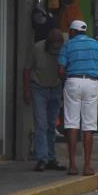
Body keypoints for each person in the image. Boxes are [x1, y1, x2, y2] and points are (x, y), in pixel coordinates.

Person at [57, 19, 98, 176]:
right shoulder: (96, 45)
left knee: (72, 123)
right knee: (89, 126)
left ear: (72, 32)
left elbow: (60, 70)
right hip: (92, 83)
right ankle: (87, 166)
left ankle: (72, 165)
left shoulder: (68, 45)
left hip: (73, 80)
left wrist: (67, 81)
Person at [24, 28, 65, 172]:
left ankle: (51, 157)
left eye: (57, 48)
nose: (55, 51)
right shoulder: (37, 48)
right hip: (39, 88)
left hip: (55, 87)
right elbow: (27, 69)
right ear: (48, 44)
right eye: (53, 48)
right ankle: (42, 158)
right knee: (41, 124)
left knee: (51, 125)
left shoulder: (64, 49)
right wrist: (27, 90)